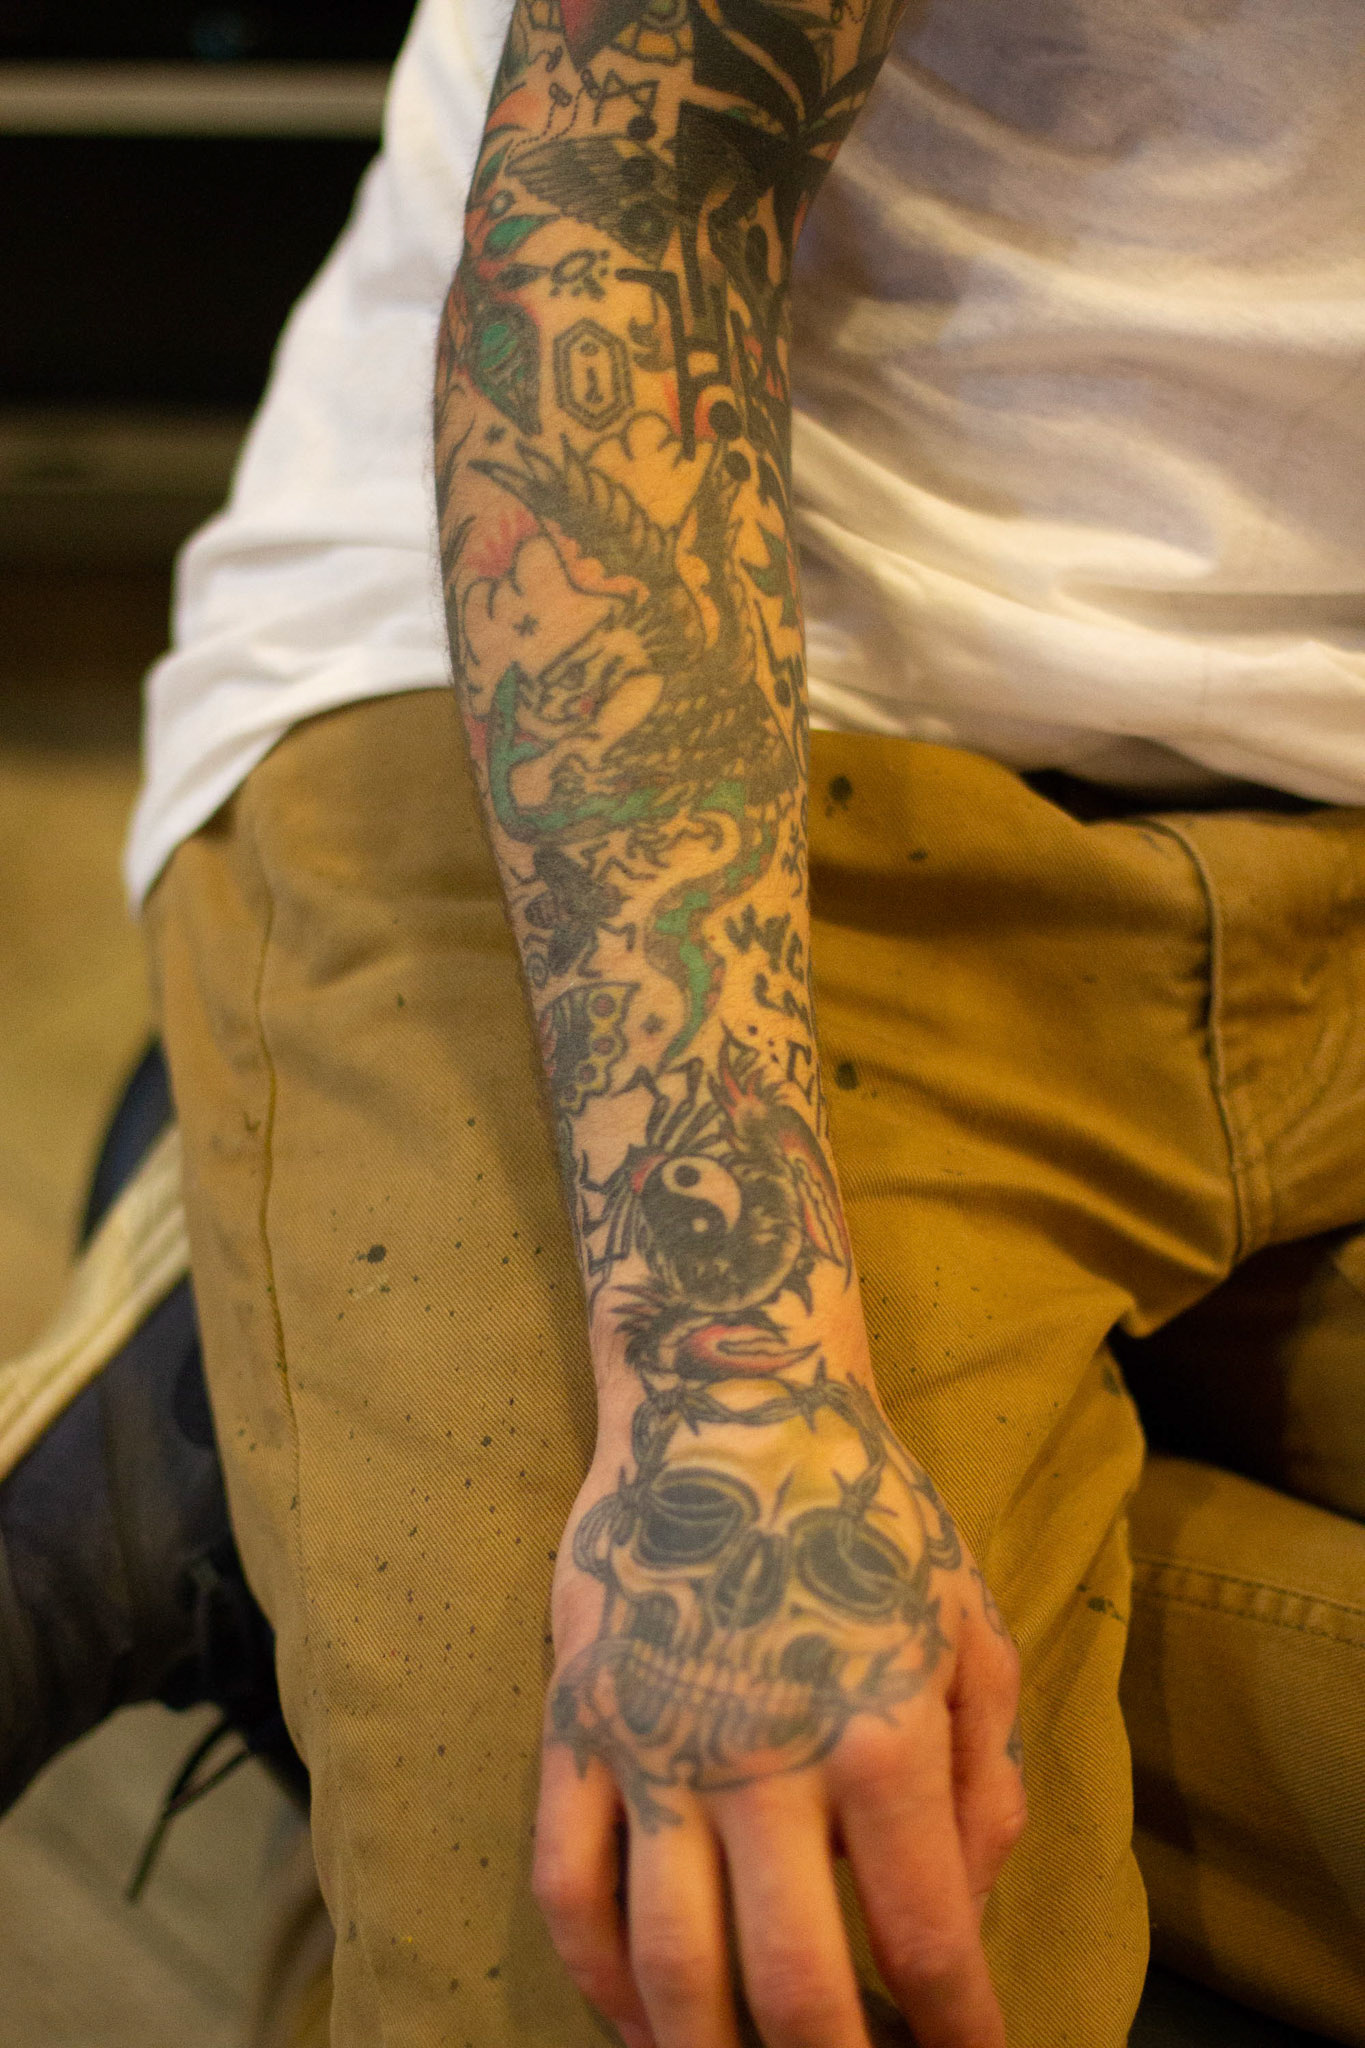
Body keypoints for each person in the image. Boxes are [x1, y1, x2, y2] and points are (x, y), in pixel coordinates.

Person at [24, 0, 1365, 2043]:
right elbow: (628, 201)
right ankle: (356, 1432)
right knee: (748, 1922)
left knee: (687, 1829)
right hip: (701, 704)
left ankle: (266, 1469)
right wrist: (730, 1386)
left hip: (1321, 835)